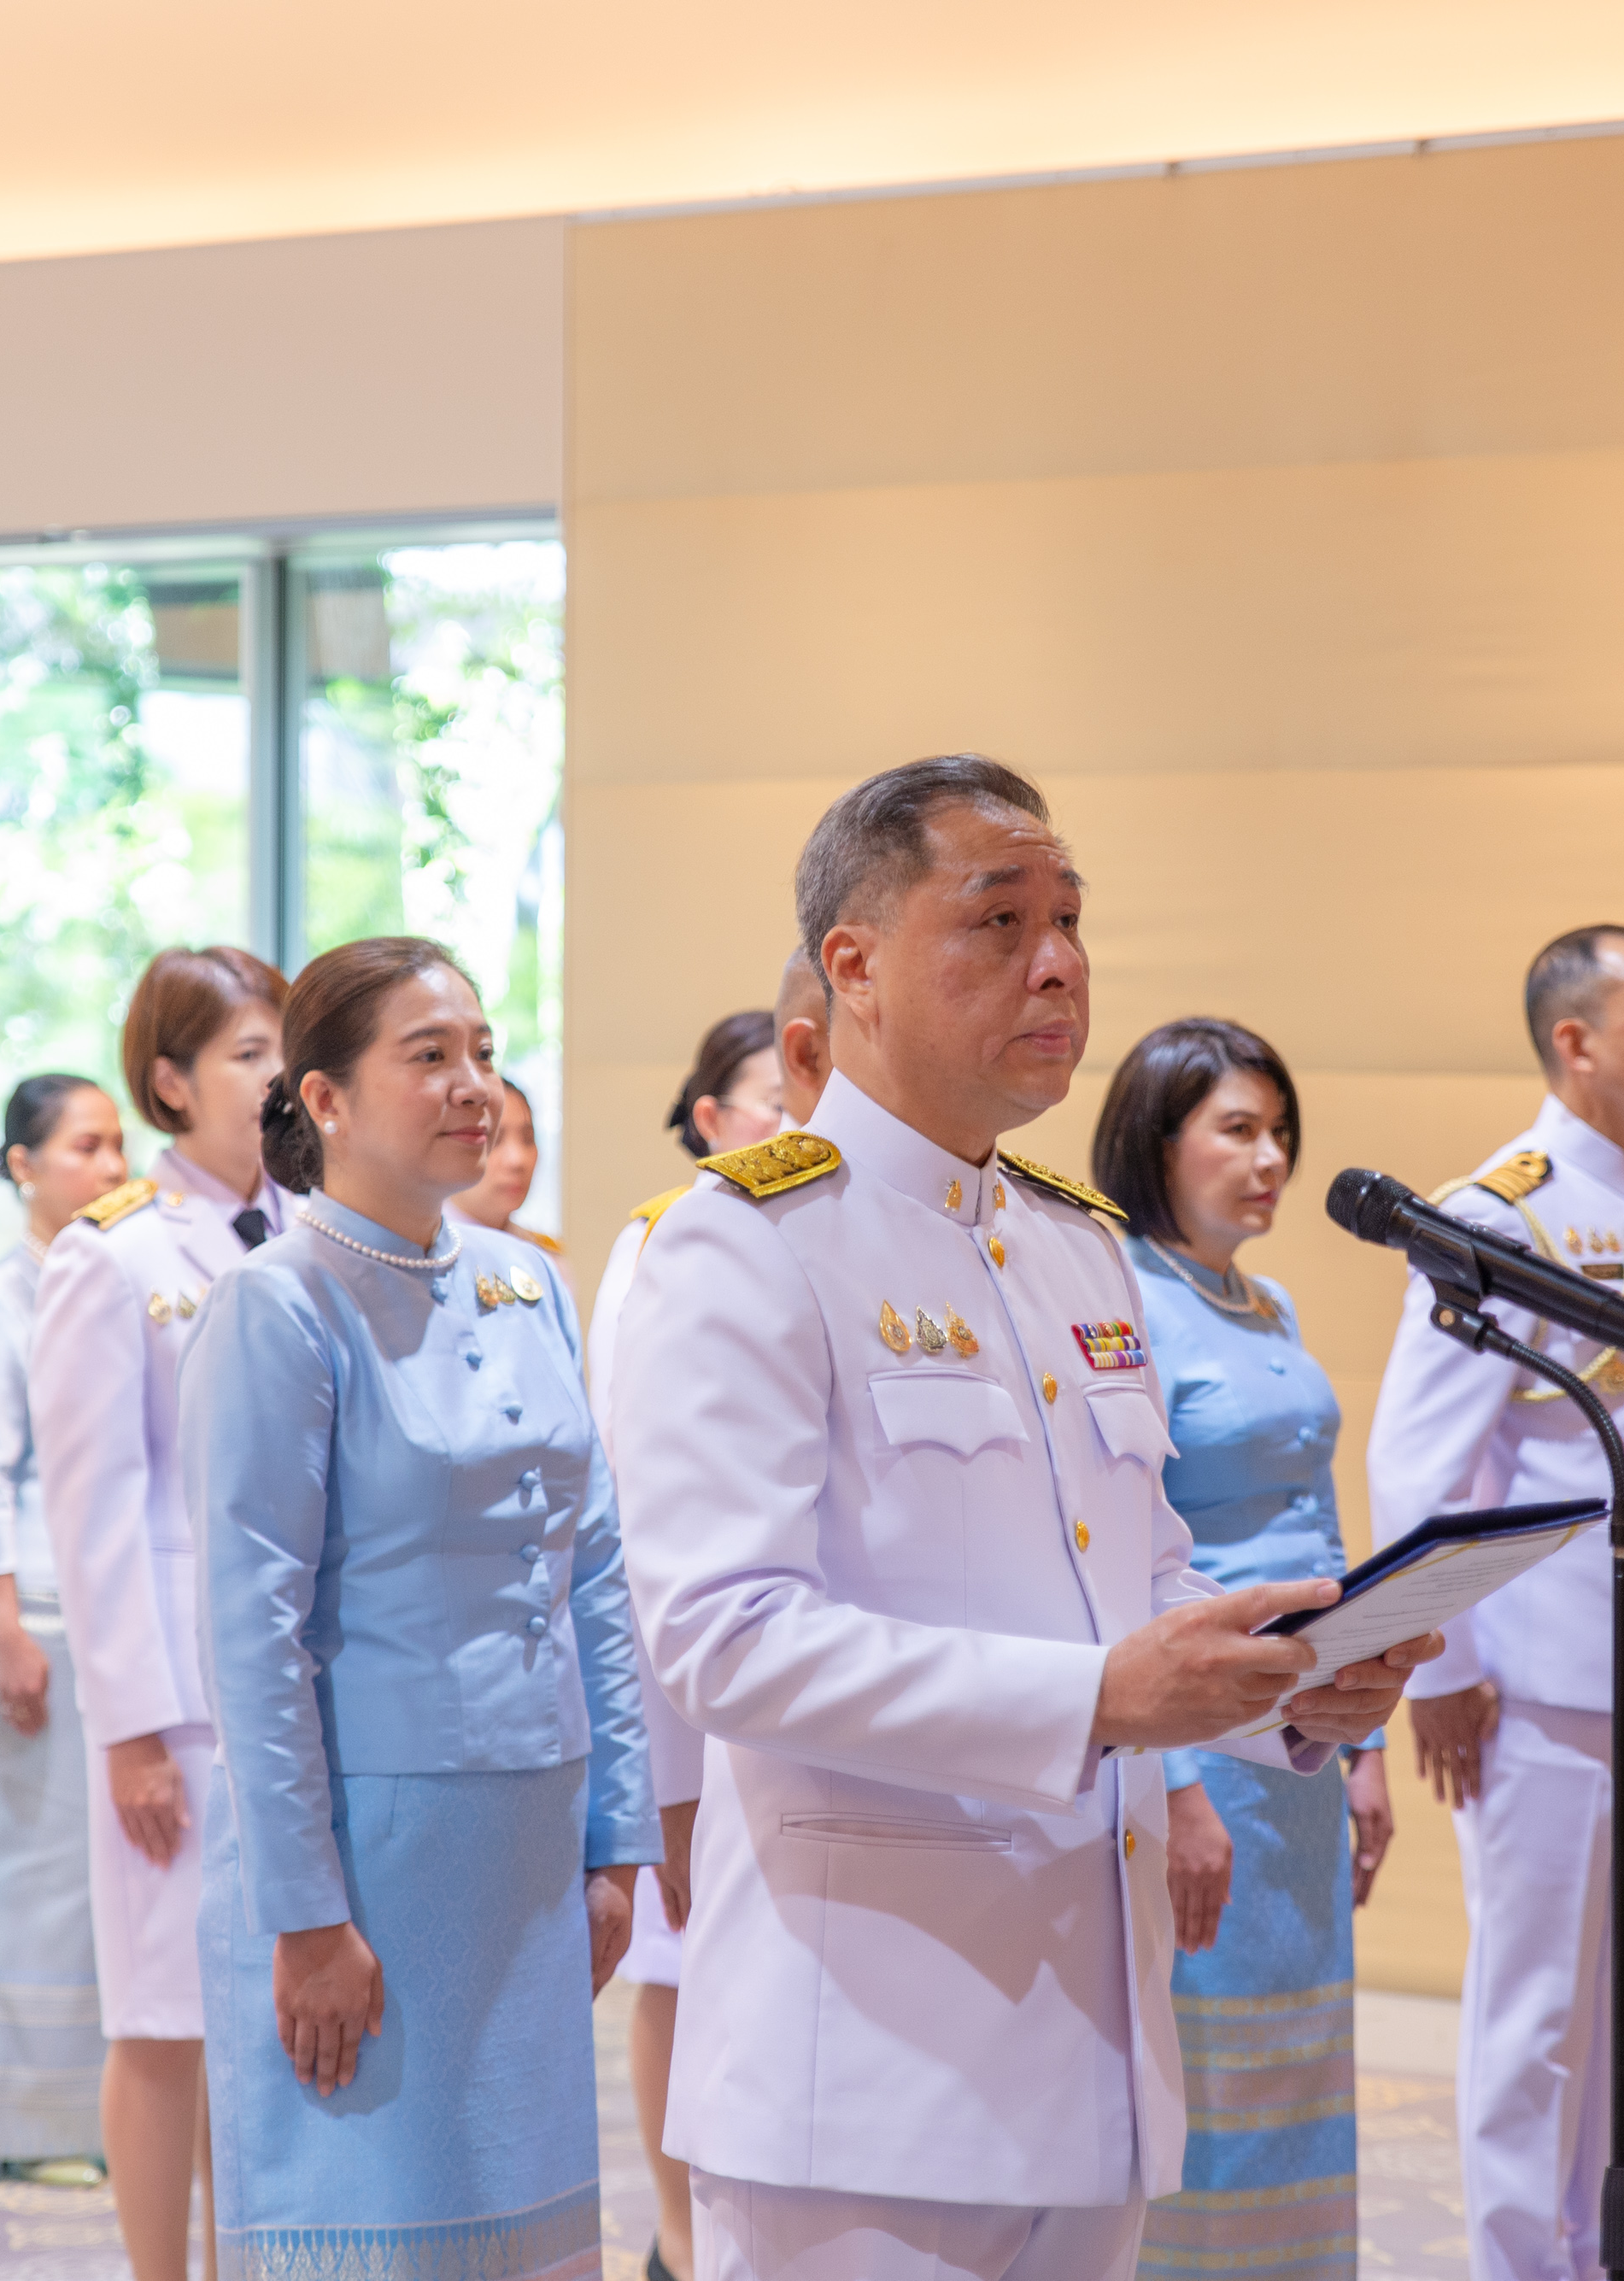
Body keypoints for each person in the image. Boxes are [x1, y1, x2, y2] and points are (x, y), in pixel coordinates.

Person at [607, 754, 1433, 2281]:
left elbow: (1145, 1579)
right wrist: (1102, 1698)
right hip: (868, 2073)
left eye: (1070, 919)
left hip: (1095, 2054)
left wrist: (1294, 1684)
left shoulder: (1074, 1246)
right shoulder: (742, 1244)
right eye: (999, 920)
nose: (1057, 963)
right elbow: (725, 1641)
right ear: (854, 966)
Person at [185, 934, 657, 2281]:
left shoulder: (528, 1277)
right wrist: (304, 1912)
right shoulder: (279, 1305)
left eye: (485, 1054)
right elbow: (253, 1633)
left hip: (532, 1838)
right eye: (431, 1055)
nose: (474, 1086)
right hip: (370, 1852)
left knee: (522, 2224)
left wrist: (618, 1839)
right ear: (325, 1098)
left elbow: (594, 1566)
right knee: (380, 2223)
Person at [1364, 923, 1624, 2281]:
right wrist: (1441, 1664)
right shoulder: (1496, 1215)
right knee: (1534, 2010)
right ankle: (1523, 2263)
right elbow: (1415, 1462)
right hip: (1531, 1672)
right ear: (1574, 1040)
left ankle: (1602, 2253)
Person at [1091, 1018, 1394, 2281]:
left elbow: (1322, 1533)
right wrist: (1176, 1790)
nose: (1271, 1159)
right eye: (1238, 1129)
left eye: (1282, 1133)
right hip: (1198, 1741)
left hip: (1305, 1738)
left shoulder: (1269, 1302)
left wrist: (1365, 1745)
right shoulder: (1118, 1299)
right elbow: (1115, 1561)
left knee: (1298, 2048)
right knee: (1203, 2054)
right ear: (1157, 1138)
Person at [32, 945, 286, 2281]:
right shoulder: (114, 1253)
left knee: (275, 2010)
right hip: (178, 1703)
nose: (280, 1073)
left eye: (288, 1045)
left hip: (303, 1684)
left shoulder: (323, 1222)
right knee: (167, 2013)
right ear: (172, 1080)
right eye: (251, 1052)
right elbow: (95, 1511)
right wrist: (129, 1725)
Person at [589, 963, 828, 2281]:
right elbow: (637, 1504)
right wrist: (661, 1769)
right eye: (766, 1095)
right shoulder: (667, 1238)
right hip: (700, 1676)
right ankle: (680, 2242)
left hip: (815, 1679)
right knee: (679, 1969)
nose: (792, 1112)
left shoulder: (843, 1227)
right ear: (709, 1117)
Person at [0, 1074, 127, 2177]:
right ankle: (28, 2122)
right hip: (31, 1613)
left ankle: (116, 2107)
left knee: (111, 1865)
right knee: (36, 1865)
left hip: (109, 1605)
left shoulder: (118, 1279)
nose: (110, 1167)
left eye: (117, 1146)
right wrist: (5, 1628)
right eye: (84, 1147)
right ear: (23, 1165)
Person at [452, 1074, 565, 1255]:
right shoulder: (422, 1256)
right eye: (494, 1140)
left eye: (528, 1139)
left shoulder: (541, 1257)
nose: (517, 1160)